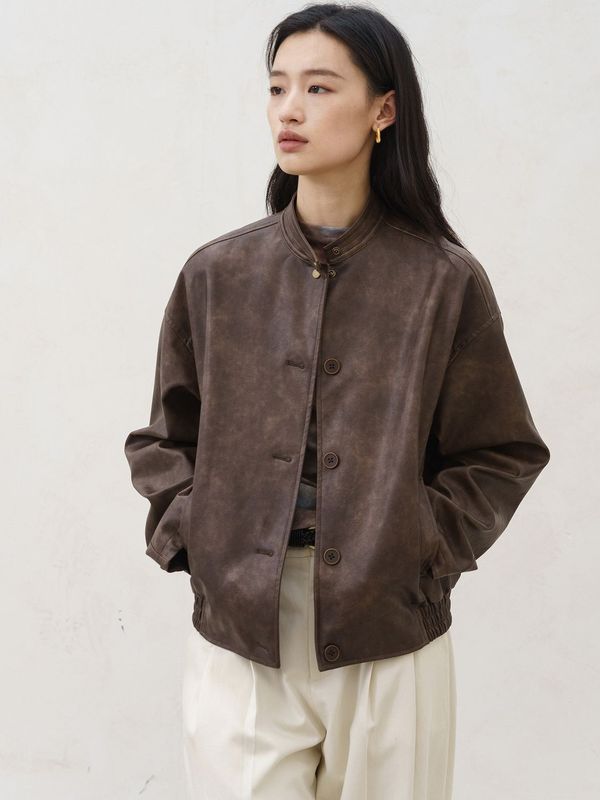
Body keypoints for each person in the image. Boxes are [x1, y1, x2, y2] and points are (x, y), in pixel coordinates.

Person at [123, 4, 551, 798]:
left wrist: (417, 546)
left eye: (318, 88)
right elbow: (164, 439)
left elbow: (501, 451)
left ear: (384, 110)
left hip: (389, 630)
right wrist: (199, 537)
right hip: (242, 633)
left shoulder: (442, 281)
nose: (289, 109)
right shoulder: (218, 276)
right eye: (277, 87)